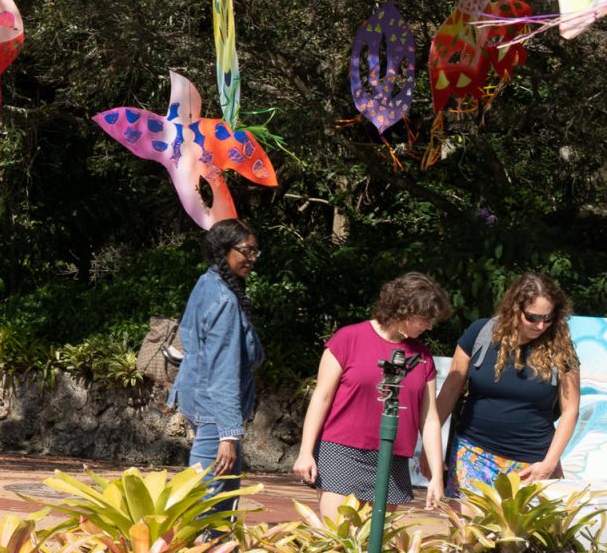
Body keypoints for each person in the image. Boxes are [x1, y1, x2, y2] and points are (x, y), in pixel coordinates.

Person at [292, 273, 450, 520]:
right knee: (339, 540)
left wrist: (437, 477)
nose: (429, 327)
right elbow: (321, 397)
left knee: (375, 547)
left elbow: (429, 418)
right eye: (424, 319)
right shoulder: (348, 338)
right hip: (341, 451)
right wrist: (305, 452)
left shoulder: (422, 356)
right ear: (403, 310)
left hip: (393, 457)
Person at [432, 273, 581, 495]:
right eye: (533, 317)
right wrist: (431, 449)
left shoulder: (561, 349)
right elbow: (450, 390)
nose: (541, 326)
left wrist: (549, 464)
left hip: (531, 463)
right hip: (473, 454)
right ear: (514, 309)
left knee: (518, 531)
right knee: (466, 530)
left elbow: (571, 410)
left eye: (548, 318)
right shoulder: (480, 333)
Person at [170, 218, 265, 514]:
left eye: (255, 251)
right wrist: (228, 434)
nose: (252, 258)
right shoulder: (224, 299)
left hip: (201, 401)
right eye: (246, 251)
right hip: (214, 410)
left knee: (213, 494)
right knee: (208, 499)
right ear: (223, 250)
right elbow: (223, 370)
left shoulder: (208, 282)